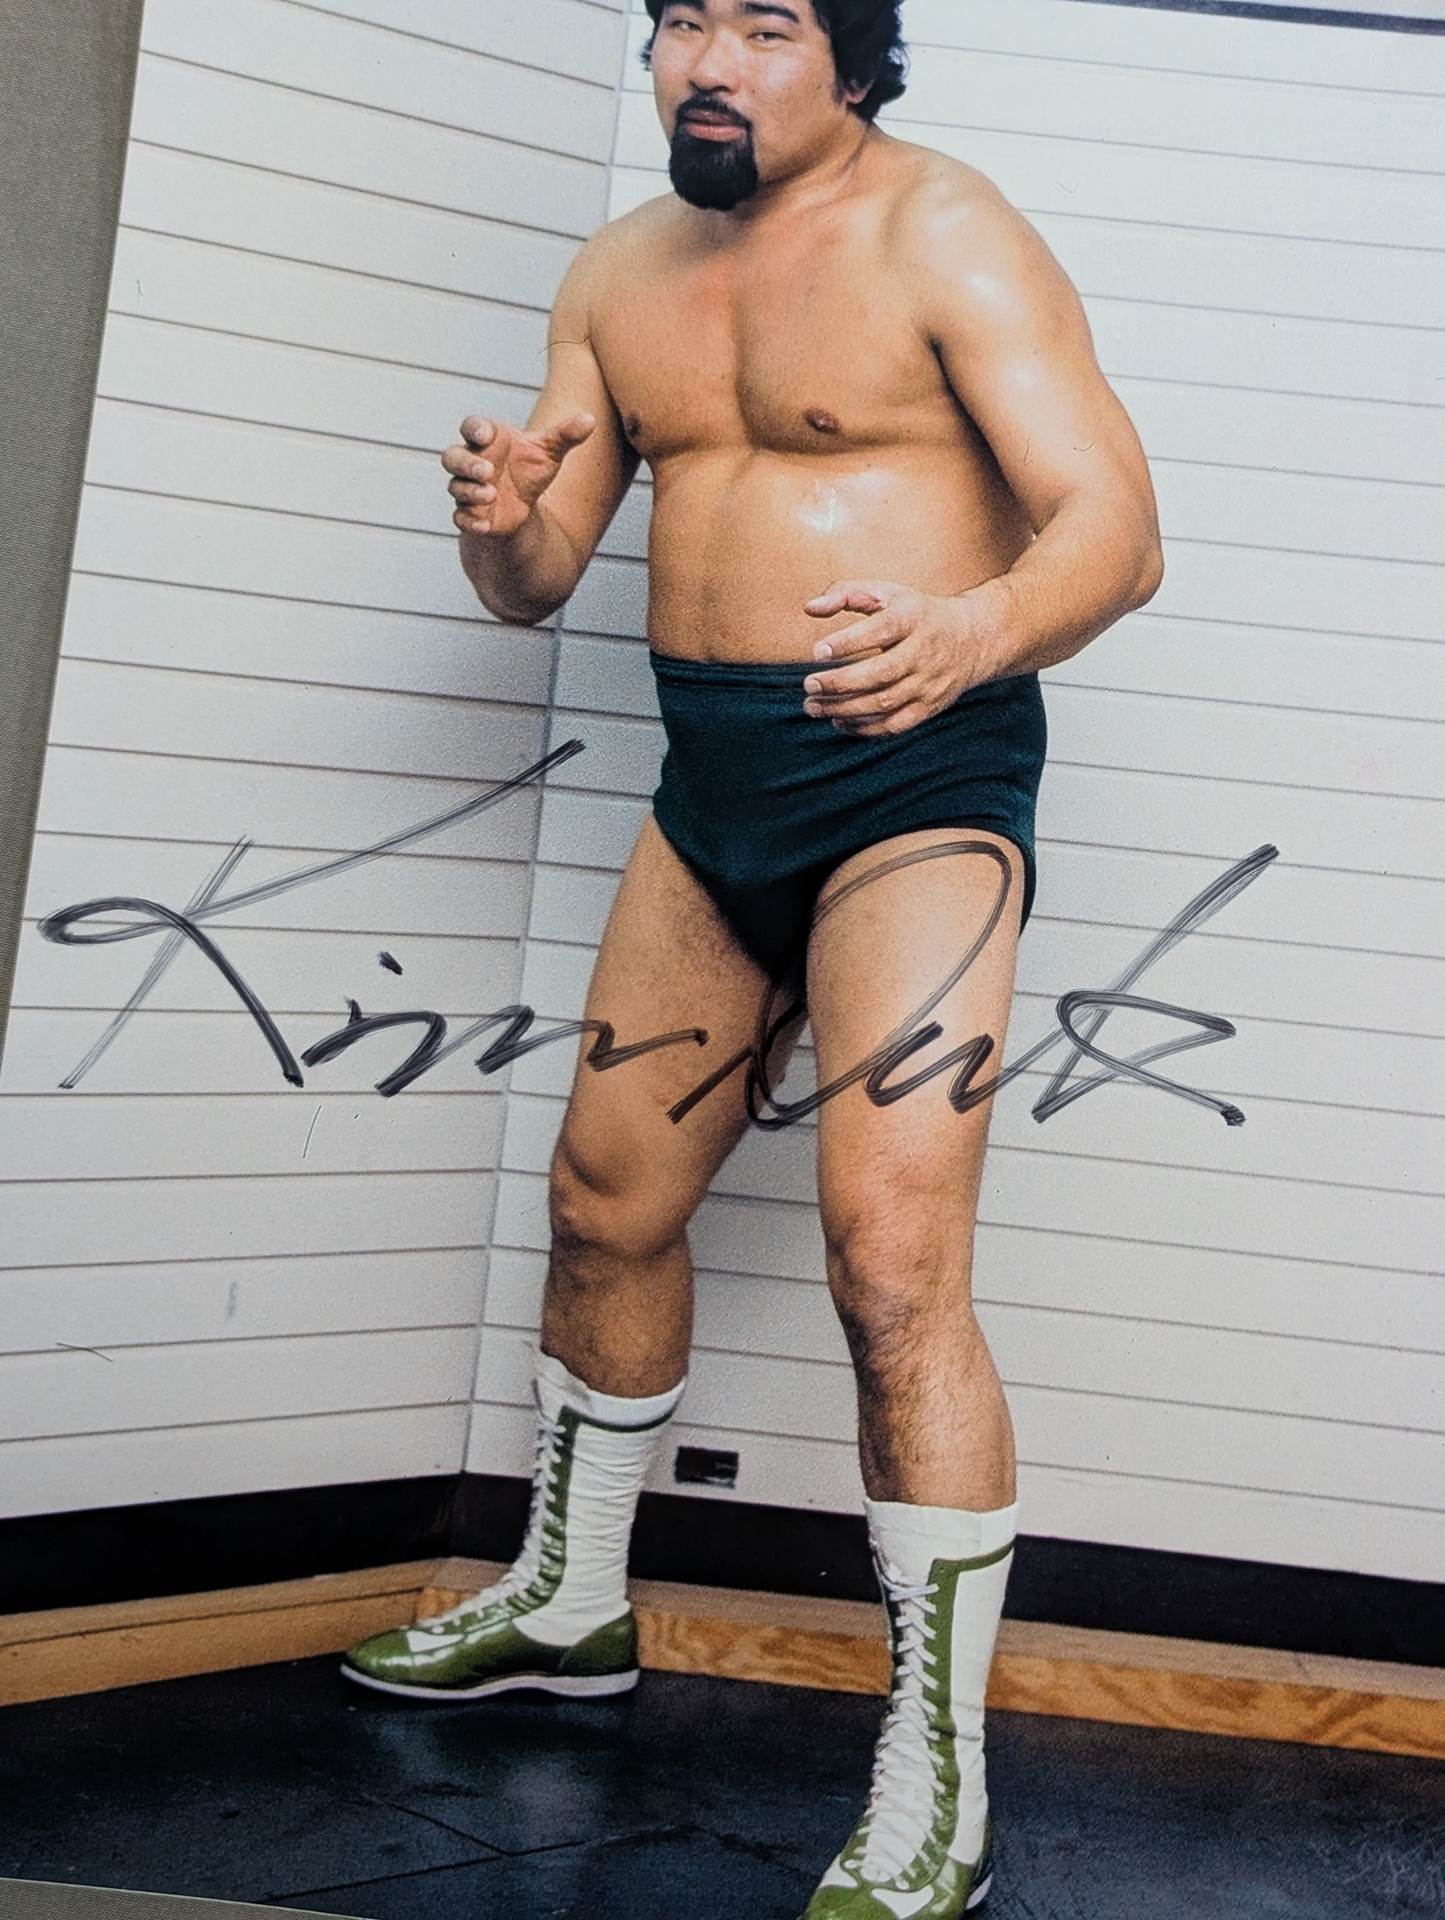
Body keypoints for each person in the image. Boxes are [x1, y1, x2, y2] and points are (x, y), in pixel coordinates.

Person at [343, 2, 1163, 1913]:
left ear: (852, 62)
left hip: (913, 787)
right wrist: (499, 527)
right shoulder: (617, 270)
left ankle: (936, 1774)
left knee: (891, 1260)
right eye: (679, 20)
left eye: (763, 23)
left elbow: (1115, 533)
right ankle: (568, 1601)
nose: (707, 58)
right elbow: (539, 581)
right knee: (602, 1204)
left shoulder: (944, 230)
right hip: (709, 787)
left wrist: (969, 633)